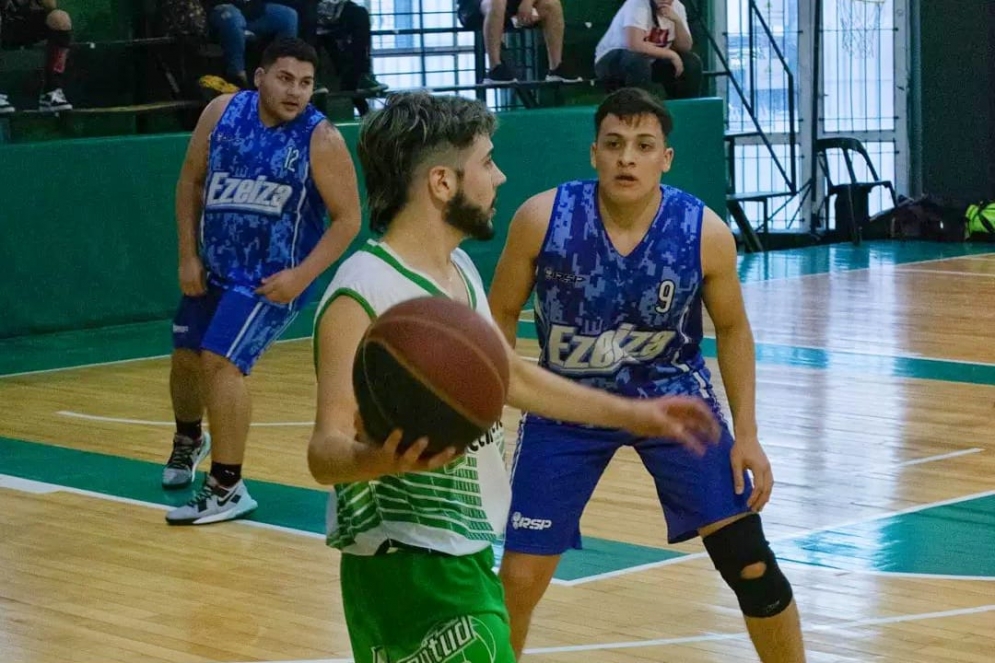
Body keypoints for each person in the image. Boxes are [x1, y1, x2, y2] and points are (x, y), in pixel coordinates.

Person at [306, 91, 721, 663]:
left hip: (463, 551)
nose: (499, 177)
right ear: (442, 183)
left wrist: (638, 414)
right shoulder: (363, 291)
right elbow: (324, 453)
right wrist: (385, 459)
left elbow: (512, 378)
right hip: (405, 561)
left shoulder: (457, 272)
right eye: (486, 162)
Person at [490, 88, 806, 661]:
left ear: (667, 157)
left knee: (751, 563)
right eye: (614, 145)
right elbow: (501, 314)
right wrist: (490, 406)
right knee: (517, 580)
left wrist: (749, 434)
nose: (626, 158)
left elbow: (733, 330)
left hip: (673, 405)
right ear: (594, 153)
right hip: (565, 405)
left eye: (643, 146)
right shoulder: (542, 218)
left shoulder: (703, 230)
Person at [162, 37, 361, 526]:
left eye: (307, 83)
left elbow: (348, 219)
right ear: (259, 77)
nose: (296, 92)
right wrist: (188, 255)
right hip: (213, 268)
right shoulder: (221, 113)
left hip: (270, 278)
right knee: (187, 359)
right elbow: (189, 182)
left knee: (221, 362)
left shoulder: (321, 138)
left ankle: (228, 486)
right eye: (286, 79)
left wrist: (301, 277)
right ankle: (189, 438)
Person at [594, 0, 702, 99]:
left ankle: (686, 111)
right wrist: (671, 54)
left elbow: (685, 47)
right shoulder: (637, 3)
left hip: (650, 60)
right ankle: (642, 110)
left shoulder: (678, 7)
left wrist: (678, 22)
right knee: (636, 61)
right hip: (612, 59)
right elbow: (634, 45)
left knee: (690, 62)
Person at [457, 0, 579, 84]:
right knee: (497, 1)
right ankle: (495, 69)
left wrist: (527, 3)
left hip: (509, 10)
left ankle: (556, 68)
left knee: (552, 4)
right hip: (474, 7)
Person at [200, 0, 299, 92]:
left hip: (252, 10)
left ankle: (282, 73)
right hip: (223, 9)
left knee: (289, 16)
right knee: (233, 19)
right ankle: (238, 78)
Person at [0, 0, 73, 113]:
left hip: (23, 23)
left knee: (59, 18)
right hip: (4, 22)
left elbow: (51, 6)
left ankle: (51, 92)